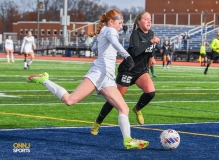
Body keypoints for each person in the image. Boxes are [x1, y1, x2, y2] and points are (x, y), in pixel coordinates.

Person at [27, 9, 149, 150]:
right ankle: (44, 79)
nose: (121, 26)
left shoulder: (106, 30)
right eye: (120, 23)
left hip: (107, 78)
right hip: (98, 74)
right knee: (69, 100)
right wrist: (127, 56)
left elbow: (97, 47)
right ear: (111, 22)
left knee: (124, 108)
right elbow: (115, 43)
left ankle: (128, 140)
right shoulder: (109, 31)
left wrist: (118, 34)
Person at [90, 11, 160, 136]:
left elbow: (150, 50)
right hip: (128, 70)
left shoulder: (151, 34)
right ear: (139, 21)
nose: (149, 21)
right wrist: (150, 42)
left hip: (141, 71)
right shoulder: (135, 34)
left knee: (150, 93)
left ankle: (137, 108)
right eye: (146, 19)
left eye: (150, 19)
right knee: (115, 100)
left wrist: (152, 57)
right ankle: (98, 122)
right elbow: (134, 52)